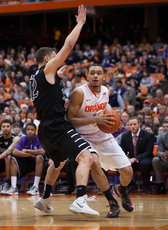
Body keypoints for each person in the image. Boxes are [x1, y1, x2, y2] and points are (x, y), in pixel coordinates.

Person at [30, 5, 99, 218]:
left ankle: (44, 199)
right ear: (48, 59)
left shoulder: (36, 78)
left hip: (45, 128)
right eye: (55, 57)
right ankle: (80, 199)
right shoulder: (47, 70)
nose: (58, 59)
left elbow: (47, 93)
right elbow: (68, 45)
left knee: (57, 163)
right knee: (86, 157)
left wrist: (57, 76)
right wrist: (79, 24)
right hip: (57, 125)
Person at [67, 63, 134, 218]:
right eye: (92, 73)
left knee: (127, 171)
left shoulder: (105, 91)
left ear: (104, 76)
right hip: (84, 137)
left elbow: (102, 114)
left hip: (102, 135)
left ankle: (122, 191)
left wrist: (111, 124)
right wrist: (94, 119)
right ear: (87, 75)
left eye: (99, 73)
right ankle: (112, 201)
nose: (95, 75)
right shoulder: (78, 93)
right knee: (95, 164)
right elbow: (70, 120)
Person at [5, 123, 45, 195]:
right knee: (13, 159)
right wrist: (29, 155)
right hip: (25, 161)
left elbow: (43, 151)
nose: (30, 131)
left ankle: (35, 187)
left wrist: (27, 150)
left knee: (39, 157)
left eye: (32, 130)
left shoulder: (39, 138)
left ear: (35, 131)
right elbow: (14, 152)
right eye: (28, 130)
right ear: (25, 131)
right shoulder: (23, 139)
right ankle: (14, 187)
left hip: (36, 163)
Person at [120, 117, 154, 194]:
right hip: (132, 160)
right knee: (119, 165)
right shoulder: (125, 136)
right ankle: (131, 185)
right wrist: (126, 158)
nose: (132, 126)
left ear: (139, 124)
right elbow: (122, 152)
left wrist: (135, 159)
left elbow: (148, 152)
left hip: (145, 159)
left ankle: (146, 186)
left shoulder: (148, 135)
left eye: (134, 124)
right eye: (130, 125)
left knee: (144, 164)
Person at [0, 119, 21, 195]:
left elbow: (9, 150)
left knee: (7, 157)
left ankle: (8, 184)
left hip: (13, 163)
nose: (6, 128)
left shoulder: (16, 138)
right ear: (1, 128)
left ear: (11, 128)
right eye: (4, 126)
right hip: (1, 161)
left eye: (7, 126)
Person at [152, 120, 168, 194]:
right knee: (156, 160)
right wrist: (163, 154)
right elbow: (158, 152)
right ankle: (161, 186)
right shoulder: (163, 136)